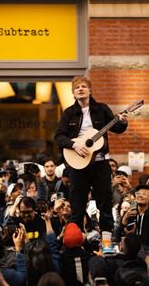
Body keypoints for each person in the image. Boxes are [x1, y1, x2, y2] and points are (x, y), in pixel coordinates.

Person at [54, 76, 128, 232]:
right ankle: (76, 242)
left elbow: (117, 129)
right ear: (74, 94)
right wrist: (74, 145)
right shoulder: (69, 113)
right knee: (77, 206)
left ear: (90, 90)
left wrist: (123, 121)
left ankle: (106, 242)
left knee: (105, 205)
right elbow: (59, 136)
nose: (80, 89)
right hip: (77, 164)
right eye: (77, 88)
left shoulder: (101, 109)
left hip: (100, 163)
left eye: (83, 87)